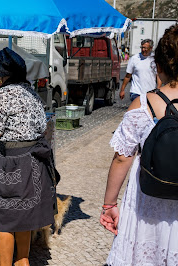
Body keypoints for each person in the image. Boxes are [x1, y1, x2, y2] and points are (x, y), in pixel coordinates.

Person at [100, 24, 178, 265]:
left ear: (160, 65)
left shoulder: (144, 105)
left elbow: (123, 157)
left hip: (149, 199)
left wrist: (109, 204)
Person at [0, 47, 56, 266]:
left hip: (13, 161)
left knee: (4, 218)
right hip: (34, 161)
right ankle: (23, 261)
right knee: (24, 216)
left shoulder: (4, 93)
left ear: (4, 75)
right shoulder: (31, 92)